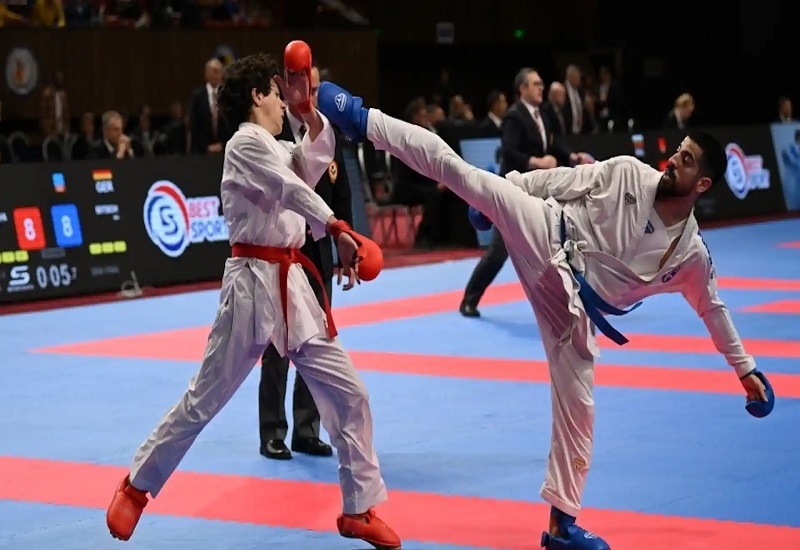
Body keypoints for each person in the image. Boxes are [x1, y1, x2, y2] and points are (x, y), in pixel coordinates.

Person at [315, 81, 774, 549]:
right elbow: (562, 181)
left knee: (580, 408)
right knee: (464, 175)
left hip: (575, 309)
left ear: (703, 185)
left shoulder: (690, 255)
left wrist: (746, 370)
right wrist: (506, 191)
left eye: (687, 159)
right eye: (678, 150)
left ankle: (561, 527)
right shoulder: (630, 173)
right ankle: (361, 118)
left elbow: (711, 308)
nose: (674, 159)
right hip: (548, 235)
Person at [104, 52, 401, 550]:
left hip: (293, 284)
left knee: (351, 394)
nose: (283, 103)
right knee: (204, 399)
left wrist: (308, 113)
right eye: (278, 94)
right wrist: (336, 228)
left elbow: (312, 163)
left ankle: (359, 508)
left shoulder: (279, 146)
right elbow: (289, 188)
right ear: (258, 95)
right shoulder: (243, 143)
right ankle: (136, 486)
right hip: (251, 284)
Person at [259, 63, 351, 461]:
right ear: (286, 87)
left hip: (320, 251)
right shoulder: (271, 136)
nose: (307, 95)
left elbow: (340, 193)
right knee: (278, 344)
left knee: (317, 342)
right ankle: (272, 431)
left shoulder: (326, 132)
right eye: (301, 87)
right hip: (284, 252)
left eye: (313, 89)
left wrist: (347, 244)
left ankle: (307, 428)